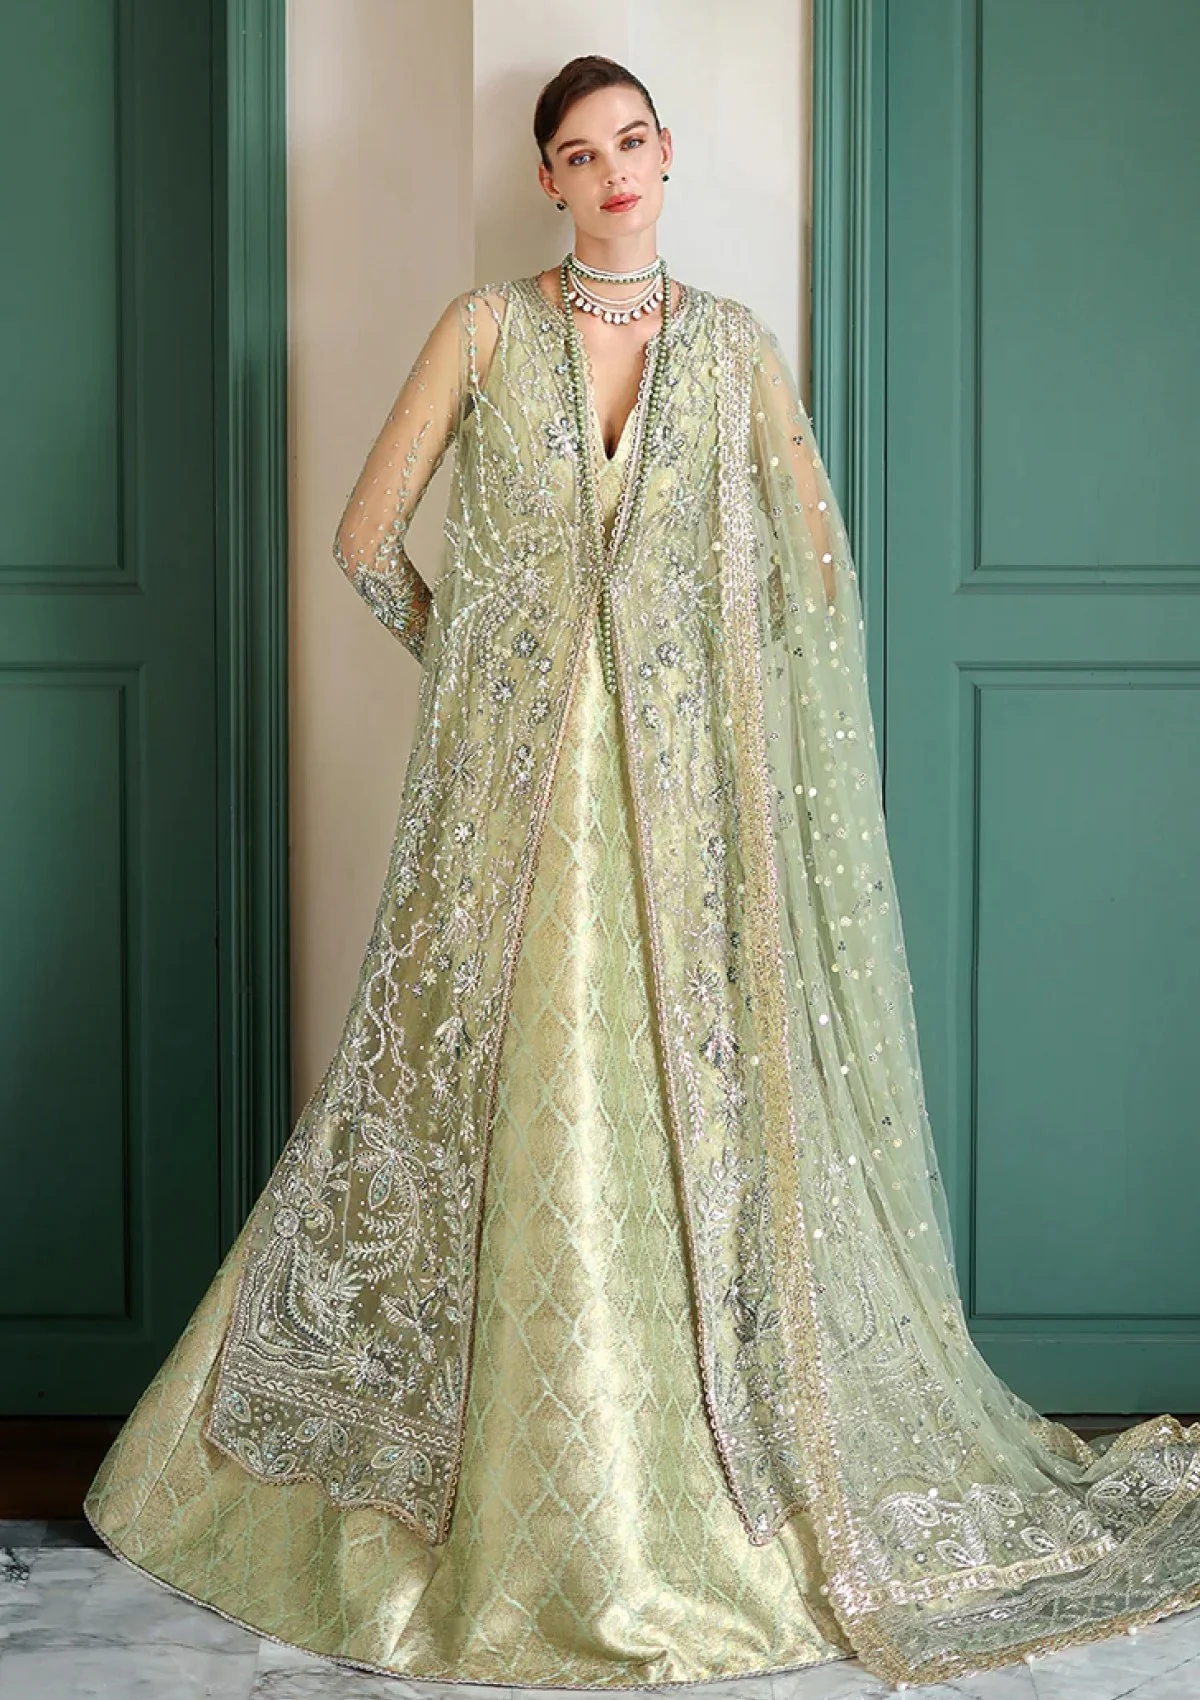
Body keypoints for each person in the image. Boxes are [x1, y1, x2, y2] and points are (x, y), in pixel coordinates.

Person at [84, 52, 1200, 1692]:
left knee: (690, 1129)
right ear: (546, 179)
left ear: (668, 156)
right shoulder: (485, 331)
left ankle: (689, 1482)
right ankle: (497, 1487)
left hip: (686, 826)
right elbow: (362, 541)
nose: (611, 170)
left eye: (632, 142)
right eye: (577, 151)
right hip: (507, 818)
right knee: (502, 1116)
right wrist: (486, 668)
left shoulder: (734, 353)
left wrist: (708, 693)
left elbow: (813, 575)